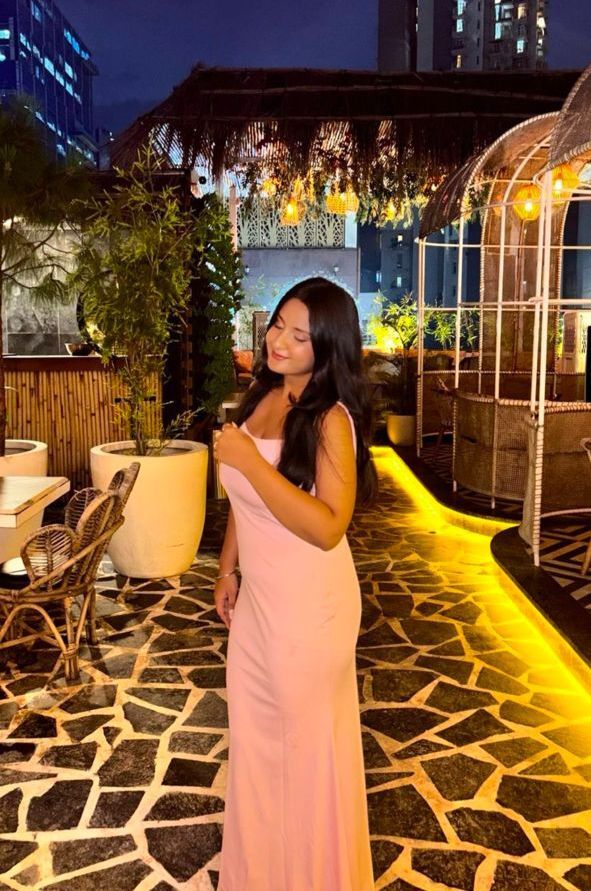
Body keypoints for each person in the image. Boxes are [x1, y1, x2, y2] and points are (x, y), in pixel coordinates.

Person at [213, 277, 377, 891]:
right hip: (261, 605)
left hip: (310, 612)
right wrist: (227, 568)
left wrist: (249, 461)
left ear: (328, 346)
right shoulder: (265, 393)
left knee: (305, 758)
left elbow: (330, 526)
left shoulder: (332, 420)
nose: (279, 341)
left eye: (300, 335)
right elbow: (245, 501)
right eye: (279, 324)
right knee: (258, 751)